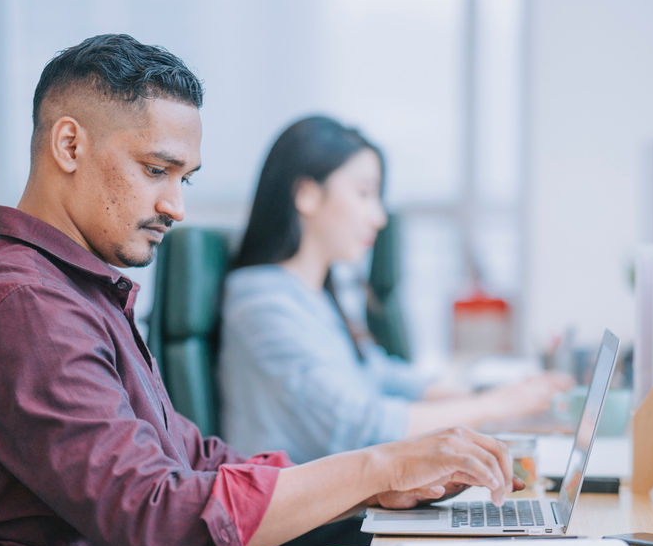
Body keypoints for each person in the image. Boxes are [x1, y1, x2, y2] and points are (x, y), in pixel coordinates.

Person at [0, 34, 514, 546]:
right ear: (68, 145)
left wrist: (371, 489)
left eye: (186, 179)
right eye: (155, 171)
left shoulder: (75, 297)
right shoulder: (24, 311)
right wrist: (377, 468)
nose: (174, 205)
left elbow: (190, 455)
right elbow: (156, 516)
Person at [220, 114, 572, 467]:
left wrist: (492, 397)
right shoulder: (261, 302)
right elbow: (358, 425)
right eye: (364, 194)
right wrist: (493, 406)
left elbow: (376, 373)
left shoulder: (314, 296)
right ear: (308, 195)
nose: (379, 217)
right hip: (310, 517)